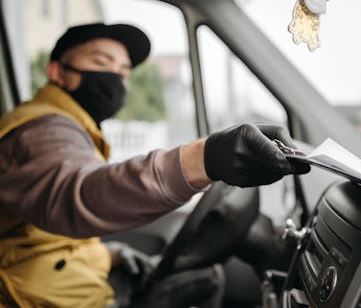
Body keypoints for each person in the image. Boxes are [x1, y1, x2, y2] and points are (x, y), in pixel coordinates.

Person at [0, 23, 310, 307]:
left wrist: (113, 254)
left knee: (207, 277)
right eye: (101, 62)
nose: (116, 77)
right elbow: (78, 192)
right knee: (208, 280)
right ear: (57, 72)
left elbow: (39, 238)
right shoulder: (41, 130)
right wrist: (203, 158)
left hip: (62, 281)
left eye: (123, 71)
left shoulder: (71, 128)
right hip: (37, 298)